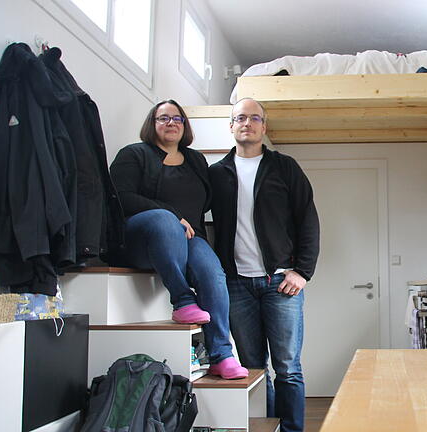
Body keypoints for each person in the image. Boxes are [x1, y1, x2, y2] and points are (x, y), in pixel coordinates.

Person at [110, 100, 248, 379]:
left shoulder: (196, 160)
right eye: (163, 118)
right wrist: (173, 215)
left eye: (177, 118)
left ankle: (221, 355)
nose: (171, 123)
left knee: (212, 272)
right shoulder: (134, 154)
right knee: (163, 220)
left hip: (187, 237)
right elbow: (119, 197)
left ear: (185, 125)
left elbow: (207, 200)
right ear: (153, 123)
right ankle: (183, 300)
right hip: (140, 239)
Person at [209, 98, 320, 432]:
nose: (247, 123)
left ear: (264, 127)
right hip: (236, 285)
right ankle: (265, 427)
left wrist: (303, 271)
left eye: (254, 118)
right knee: (253, 367)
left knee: (287, 367)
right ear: (231, 126)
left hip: (280, 283)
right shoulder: (215, 174)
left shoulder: (284, 167)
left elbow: (308, 220)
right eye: (240, 118)